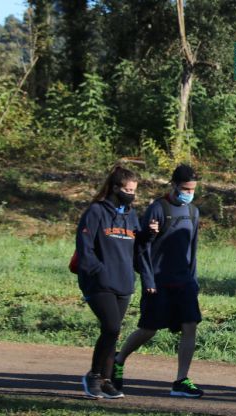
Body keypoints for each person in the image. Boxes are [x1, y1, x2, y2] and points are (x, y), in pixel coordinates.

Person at [112, 164, 204, 398]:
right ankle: (118, 360)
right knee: (148, 329)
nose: (189, 193)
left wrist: (193, 280)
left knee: (189, 326)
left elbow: (192, 250)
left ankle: (181, 380)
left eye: (193, 189)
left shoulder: (193, 212)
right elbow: (142, 248)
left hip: (184, 282)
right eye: (185, 188)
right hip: (158, 281)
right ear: (173, 185)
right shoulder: (158, 208)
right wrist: (148, 279)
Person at [76, 165, 156, 399]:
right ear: (114, 188)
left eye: (134, 190)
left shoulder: (131, 214)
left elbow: (136, 247)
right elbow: (85, 249)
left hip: (123, 282)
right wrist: (98, 272)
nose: (131, 194)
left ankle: (106, 380)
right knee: (111, 327)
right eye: (127, 189)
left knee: (112, 333)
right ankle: (92, 377)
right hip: (99, 282)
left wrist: (148, 234)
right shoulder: (95, 212)